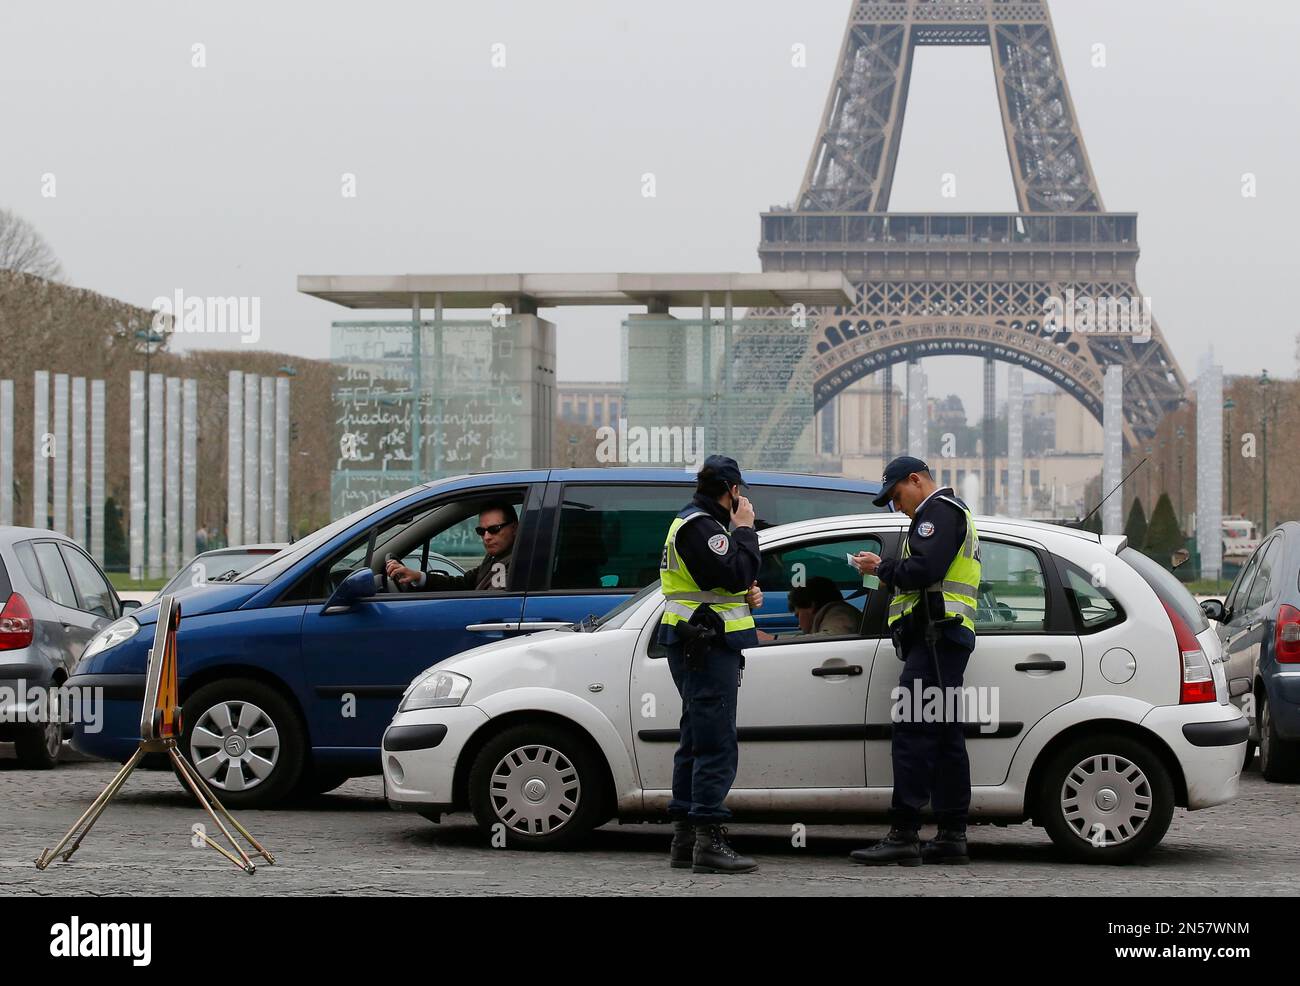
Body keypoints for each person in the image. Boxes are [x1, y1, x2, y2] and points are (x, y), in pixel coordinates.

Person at [848, 456, 981, 866]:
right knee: (942, 736)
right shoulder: (949, 514)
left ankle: (904, 833)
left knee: (913, 733)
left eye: (896, 495)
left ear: (915, 480)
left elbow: (924, 570)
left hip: (936, 637)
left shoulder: (938, 513)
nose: (896, 505)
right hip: (943, 637)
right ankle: (951, 834)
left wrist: (881, 567)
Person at [658, 454, 763, 874]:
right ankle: (708, 840)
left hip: (695, 639)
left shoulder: (697, 523)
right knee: (715, 742)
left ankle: (685, 839)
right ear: (733, 490)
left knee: (696, 739)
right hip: (704, 643)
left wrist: (745, 595)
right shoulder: (704, 526)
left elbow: (723, 582)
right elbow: (734, 571)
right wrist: (745, 531)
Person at [385, 502, 518, 591]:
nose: (487, 537)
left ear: (514, 528)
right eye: (481, 531)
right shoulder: (494, 557)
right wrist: (418, 577)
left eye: (494, 529)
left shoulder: (518, 561)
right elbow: (464, 583)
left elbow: (494, 603)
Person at [788, 576, 860, 636]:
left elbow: (836, 637)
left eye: (798, 615)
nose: (799, 625)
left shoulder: (838, 614)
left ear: (811, 606)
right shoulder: (833, 614)